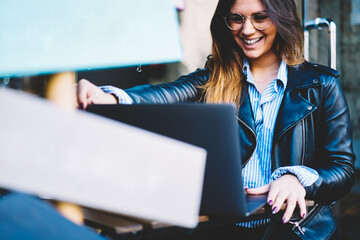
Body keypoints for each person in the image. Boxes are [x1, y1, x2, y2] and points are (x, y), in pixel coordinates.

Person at [77, 0, 356, 239]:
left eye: (260, 17)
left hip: (295, 228)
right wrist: (109, 97)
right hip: (221, 227)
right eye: (237, 18)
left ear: (281, 18)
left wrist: (298, 179)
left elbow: (342, 168)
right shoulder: (214, 78)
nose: (247, 30)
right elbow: (165, 93)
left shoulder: (321, 85)